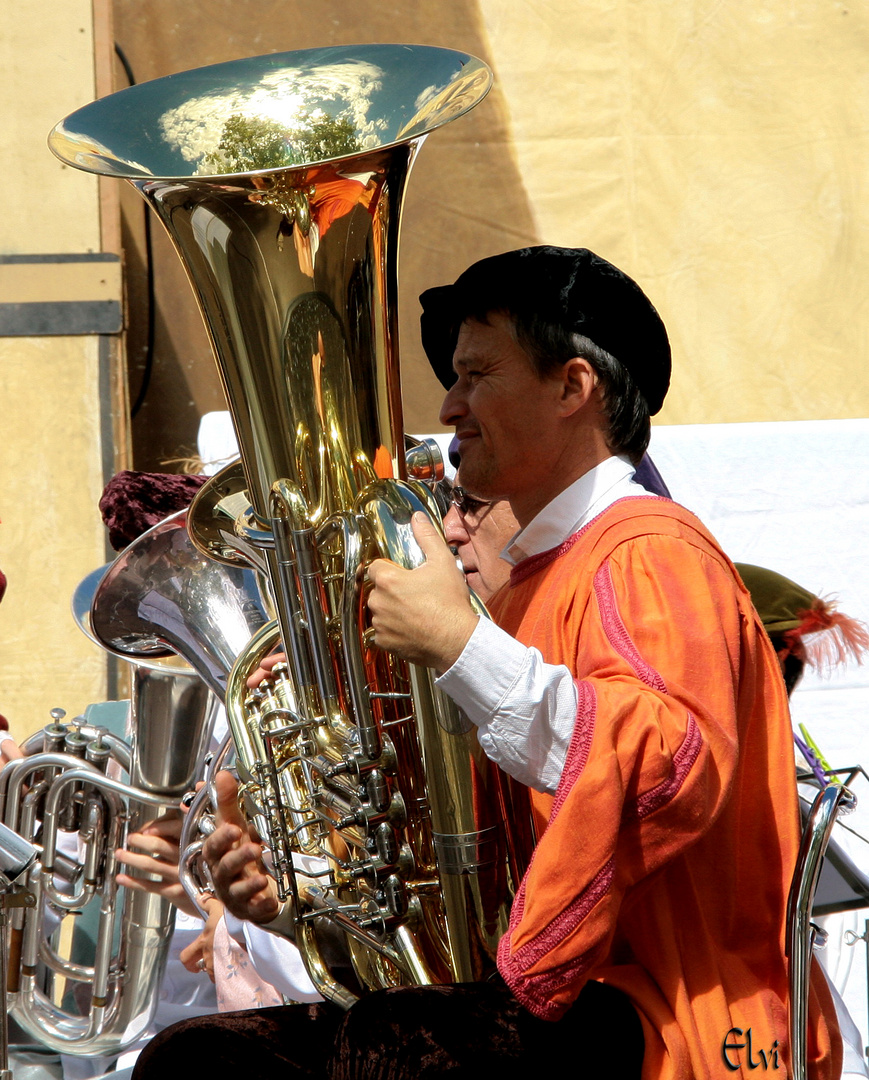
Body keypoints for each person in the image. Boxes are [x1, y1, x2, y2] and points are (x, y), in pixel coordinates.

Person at [133, 246, 842, 1080]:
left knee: (395, 1052)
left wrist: (454, 643)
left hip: (670, 1012)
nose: (450, 403)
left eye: (477, 374)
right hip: (566, 1000)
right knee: (201, 1061)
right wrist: (300, 898)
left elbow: (662, 766)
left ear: (573, 388)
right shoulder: (539, 578)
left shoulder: (649, 549)